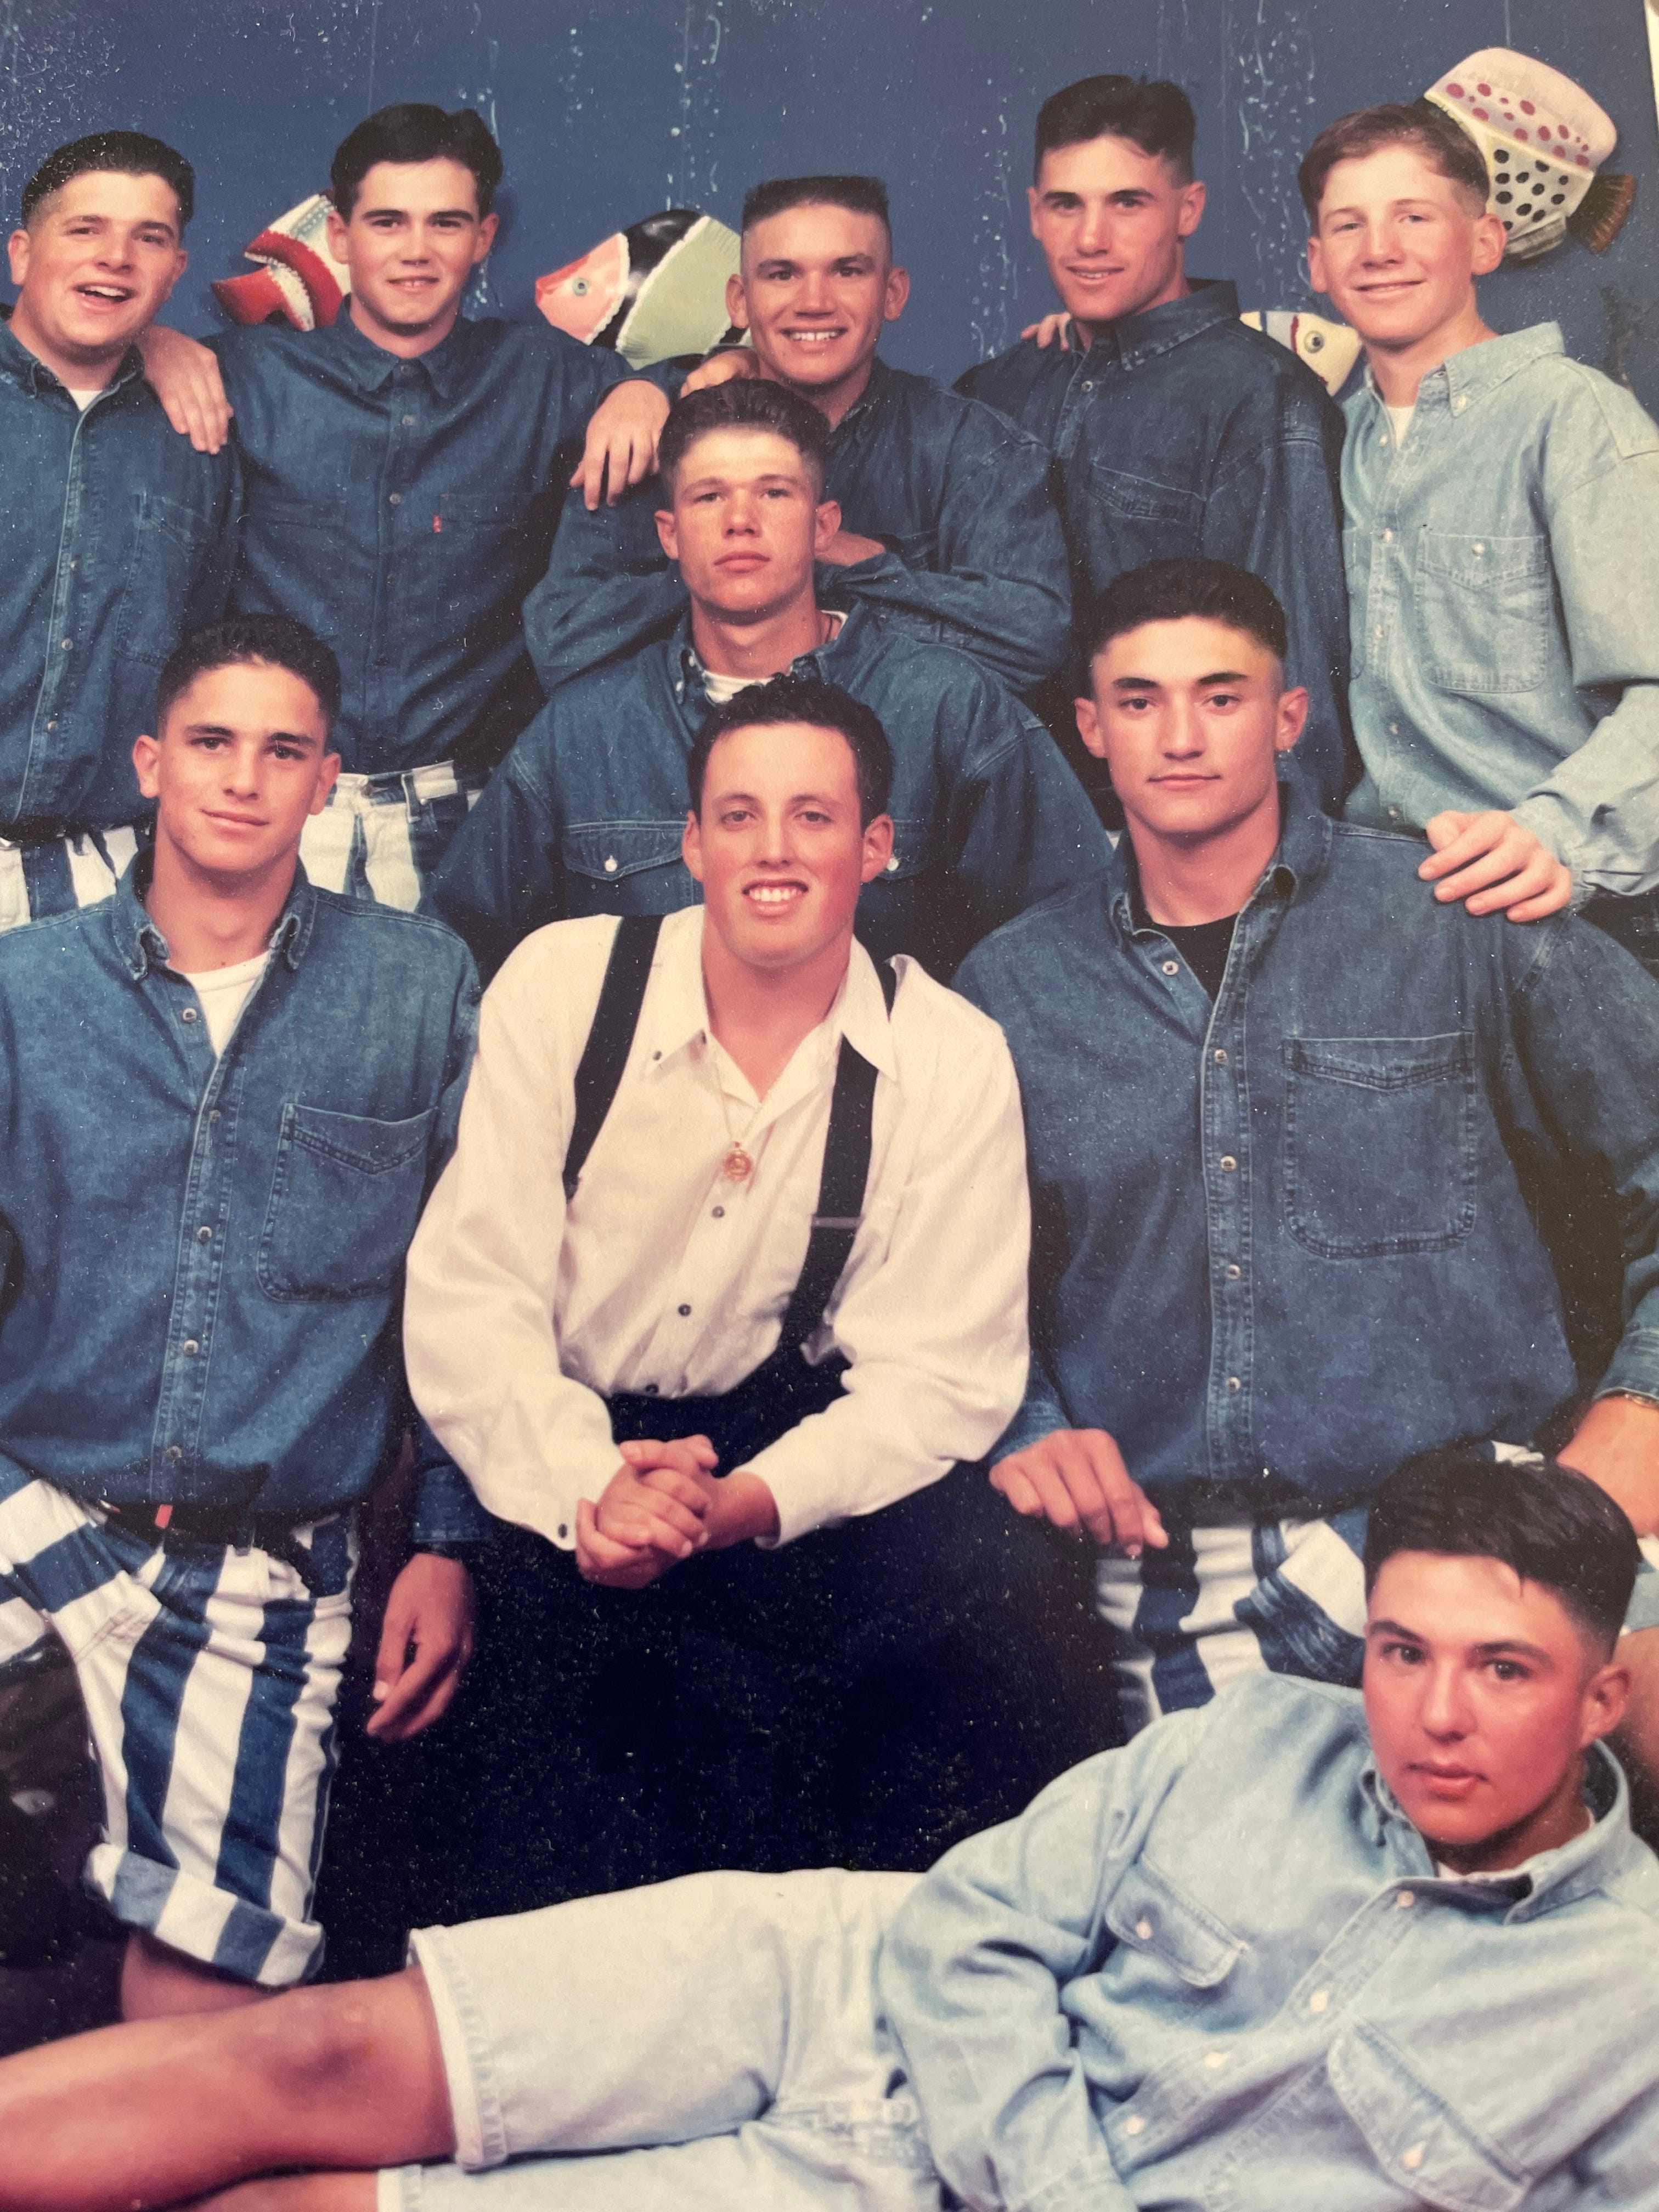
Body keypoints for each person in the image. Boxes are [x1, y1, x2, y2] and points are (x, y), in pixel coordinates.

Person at [5, 1449, 1658, 2212]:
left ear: (1604, 1696)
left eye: (1503, 1670)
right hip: (850, 1989)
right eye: (1402, 1653)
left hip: (890, 2195)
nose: (1435, 1714)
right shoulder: (1252, 1738)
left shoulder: (1627, 2015)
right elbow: (974, 1928)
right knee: (308, 2059)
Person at [954, 555, 1659, 1788]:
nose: (1181, 737)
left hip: (1488, 1513)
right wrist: (1031, 1422)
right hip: (1189, 1569)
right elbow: (942, 1279)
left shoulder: (1457, 919)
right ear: (1090, 728)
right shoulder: (1012, 989)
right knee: (1259, 1870)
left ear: (1288, 717)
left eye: (1221, 697)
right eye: (1140, 701)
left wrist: (1640, 1410)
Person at [397, 672, 1083, 1905]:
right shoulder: (564, 987)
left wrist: (743, 1506)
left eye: (813, 817)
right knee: (552, 1847)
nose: (774, 850)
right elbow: (473, 1297)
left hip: (782, 1475)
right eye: (739, 816)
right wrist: (590, 1493)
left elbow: (937, 1379)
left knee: (983, 1631)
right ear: (691, 842)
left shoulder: (945, 1054)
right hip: (564, 1463)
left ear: (875, 847)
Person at [0, 615, 486, 2020]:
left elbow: (468, 1292)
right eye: (211, 742)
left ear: (328, 781)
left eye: (283, 751)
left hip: (260, 1570)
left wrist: (448, 1542)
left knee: (210, 2036)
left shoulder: (418, 986)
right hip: (36, 1503)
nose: (242, 777)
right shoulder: (26, 990)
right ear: (150, 762)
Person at [134, 104, 675, 907]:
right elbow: (59, 345)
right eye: (387, 222)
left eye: (445, 223)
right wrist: (146, 339)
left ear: (484, 238)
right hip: (279, 807)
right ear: (341, 236)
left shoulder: (546, 378)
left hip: (474, 817)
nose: (416, 250)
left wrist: (651, 389)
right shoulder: (248, 376)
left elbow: (735, 384)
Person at [427, 379, 1110, 983]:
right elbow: (454, 954)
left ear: (823, 527)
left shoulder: (946, 706)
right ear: (669, 534)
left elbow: (1078, 936)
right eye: (709, 497)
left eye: (774, 493)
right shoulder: (585, 730)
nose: (740, 522)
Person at [1300, 101, 1659, 960]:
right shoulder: (1331, 442)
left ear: (1485, 243)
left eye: (1414, 217)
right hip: (1385, 911)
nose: (1378, 249)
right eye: (1348, 225)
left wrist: (1557, 837)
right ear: (1316, 263)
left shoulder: (1572, 419)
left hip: (1559, 912)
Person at [956, 75, 1352, 812]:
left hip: (1171, 831)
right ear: (1035, 213)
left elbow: (1299, 691)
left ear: (1187, 210)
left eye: (1127, 203)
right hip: (997, 827)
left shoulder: (1261, 394)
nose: (1090, 239)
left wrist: (1283, 871)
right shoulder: (998, 387)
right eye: (1066, 204)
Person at [524, 173, 1073, 697]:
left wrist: (842, 562)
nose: (814, 302)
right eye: (782, 274)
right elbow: (565, 644)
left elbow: (1031, 636)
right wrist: (746, 577)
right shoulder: (653, 428)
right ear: (739, 300)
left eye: (848, 272)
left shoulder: (975, 446)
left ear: (892, 293)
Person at [0, 131, 238, 932]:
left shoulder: (201, 436)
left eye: (150, 238)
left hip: (107, 880)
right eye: (86, 229)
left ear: (176, 271)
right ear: (22, 254)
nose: (116, 258)